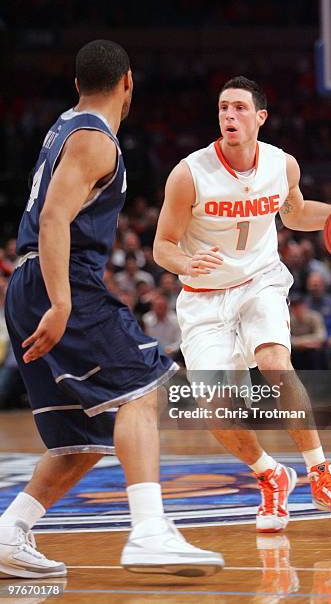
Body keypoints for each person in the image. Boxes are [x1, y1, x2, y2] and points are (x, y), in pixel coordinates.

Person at [0, 40, 223, 579]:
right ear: (128, 82)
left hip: (32, 281)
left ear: (78, 84)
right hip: (60, 278)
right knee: (143, 387)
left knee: (82, 438)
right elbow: (54, 220)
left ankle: (8, 534)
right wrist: (61, 301)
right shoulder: (95, 142)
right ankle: (148, 534)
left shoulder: (64, 125)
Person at [154, 76, 331, 532]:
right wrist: (187, 259)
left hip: (260, 281)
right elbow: (162, 245)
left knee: (275, 363)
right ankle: (270, 474)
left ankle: (320, 474)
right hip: (203, 298)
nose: (229, 116)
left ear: (260, 117)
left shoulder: (282, 165)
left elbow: (295, 212)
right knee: (212, 406)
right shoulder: (189, 173)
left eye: (240, 108)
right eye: (223, 108)